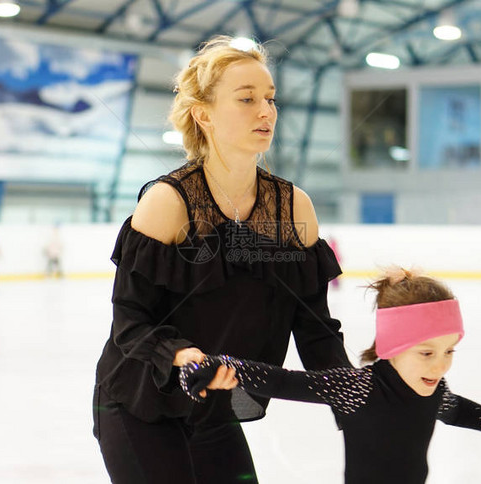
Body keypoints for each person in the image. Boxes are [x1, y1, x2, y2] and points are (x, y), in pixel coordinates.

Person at [92, 35, 351, 484]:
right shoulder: (168, 203)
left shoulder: (294, 208)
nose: (266, 111)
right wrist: (182, 355)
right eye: (247, 99)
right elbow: (130, 322)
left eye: (270, 98)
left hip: (214, 408)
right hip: (140, 402)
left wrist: (356, 398)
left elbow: (315, 329)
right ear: (203, 114)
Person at [180, 268, 481, 483]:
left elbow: (466, 413)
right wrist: (219, 364)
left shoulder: (432, 391)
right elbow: (285, 381)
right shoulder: (358, 387)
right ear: (392, 347)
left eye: (448, 351)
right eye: (426, 353)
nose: (440, 366)